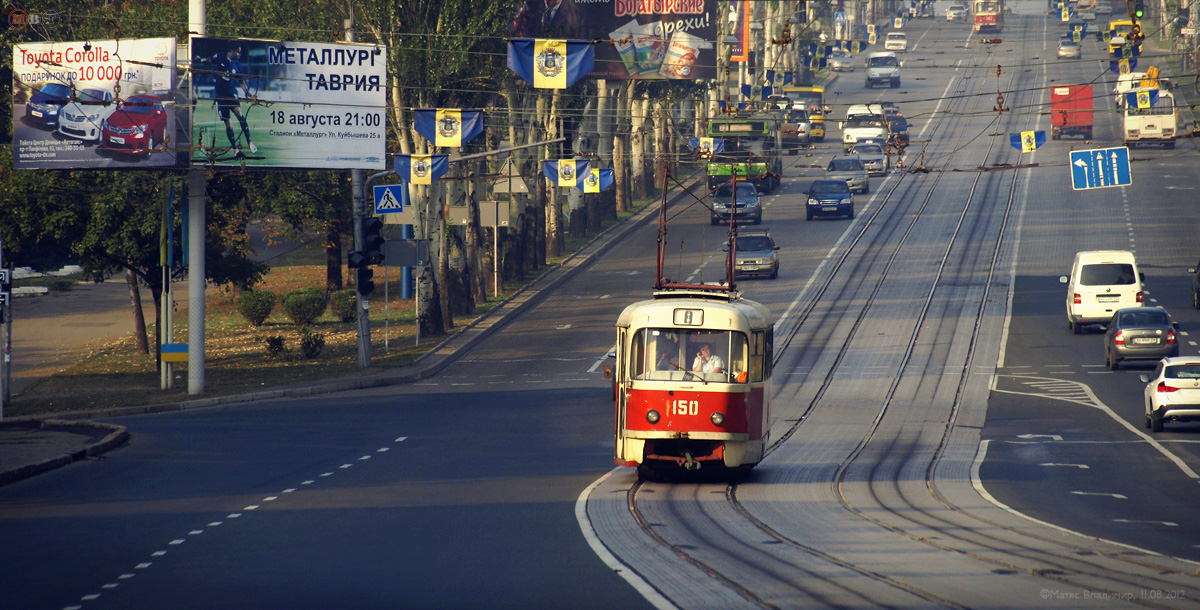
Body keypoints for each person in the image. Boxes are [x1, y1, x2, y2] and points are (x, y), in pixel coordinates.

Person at [201, 43, 257, 157]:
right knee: (228, 124)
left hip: (231, 94)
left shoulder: (237, 65)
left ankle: (250, 142)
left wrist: (247, 93)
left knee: (239, 114)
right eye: (238, 52)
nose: (239, 54)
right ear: (231, 51)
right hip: (220, 96)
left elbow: (241, 81)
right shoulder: (220, 56)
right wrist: (200, 60)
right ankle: (235, 149)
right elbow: (209, 60)